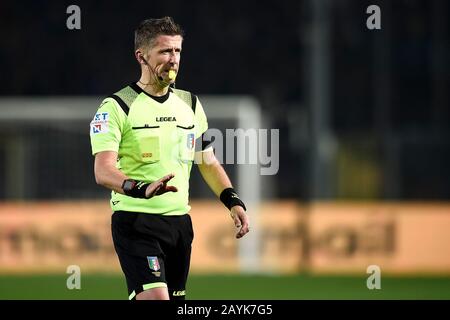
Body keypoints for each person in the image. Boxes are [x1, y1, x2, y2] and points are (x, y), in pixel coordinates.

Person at [89, 16, 250, 300]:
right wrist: (139, 188)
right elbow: (103, 171)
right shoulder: (117, 106)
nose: (173, 59)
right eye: (165, 51)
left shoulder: (190, 104)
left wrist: (232, 200)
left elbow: (207, 161)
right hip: (136, 221)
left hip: (179, 225)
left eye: (177, 51)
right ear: (141, 56)